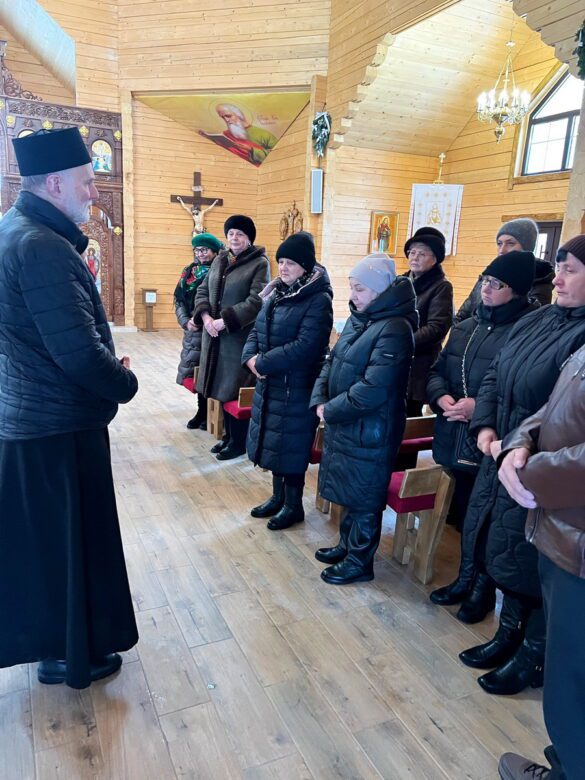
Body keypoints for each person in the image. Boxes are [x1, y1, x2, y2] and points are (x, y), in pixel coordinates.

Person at [0, 127, 138, 689]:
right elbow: (79, 354)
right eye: (86, 182)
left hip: (32, 418)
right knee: (72, 547)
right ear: (54, 183)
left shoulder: (14, 229)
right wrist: (125, 382)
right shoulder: (42, 247)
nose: (94, 192)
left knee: (50, 549)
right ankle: (70, 655)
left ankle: (56, 646)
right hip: (58, 427)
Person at [456, 236, 585, 695]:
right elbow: (496, 372)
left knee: (530, 560)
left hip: (539, 465)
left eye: (570, 270)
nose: (558, 279)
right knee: (504, 546)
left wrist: (519, 447)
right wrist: (486, 426)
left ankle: (531, 655)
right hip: (505, 450)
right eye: (558, 267)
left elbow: (560, 409)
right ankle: (507, 635)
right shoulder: (539, 317)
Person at [496, 339, 585, 780]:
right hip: (564, 536)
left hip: (579, 549)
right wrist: (518, 443)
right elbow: (556, 405)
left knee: (573, 685)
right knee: (568, 679)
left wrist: (527, 474)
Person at [427, 251, 536, 607]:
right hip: (454, 435)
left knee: (488, 518)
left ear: (516, 291)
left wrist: (478, 408)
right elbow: (437, 370)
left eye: (496, 284)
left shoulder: (525, 331)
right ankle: (465, 578)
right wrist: (441, 397)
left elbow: (522, 391)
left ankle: (482, 589)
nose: (486, 289)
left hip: (491, 439)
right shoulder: (465, 327)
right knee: (465, 514)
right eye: (484, 281)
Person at [310, 253, 417, 585]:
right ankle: (346, 546)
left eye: (360, 289)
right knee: (349, 485)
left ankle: (360, 561)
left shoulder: (395, 328)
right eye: (352, 287)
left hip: (373, 427)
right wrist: (319, 398)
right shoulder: (362, 317)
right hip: (348, 421)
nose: (353, 295)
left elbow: (374, 387)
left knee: (366, 493)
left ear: (380, 290)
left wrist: (331, 409)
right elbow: (332, 361)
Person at [243, 232, 333, 530]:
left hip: (297, 385)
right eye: (281, 261)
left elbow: (306, 346)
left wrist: (262, 362)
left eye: (290, 263)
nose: (283, 267)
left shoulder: (318, 299)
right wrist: (249, 357)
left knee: (291, 446)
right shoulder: (277, 292)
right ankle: (278, 497)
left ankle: (294, 506)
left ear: (305, 266)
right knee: (273, 441)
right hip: (271, 381)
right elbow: (256, 330)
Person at [193, 215, 270, 460]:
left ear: (249, 238)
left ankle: (239, 442)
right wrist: (205, 317)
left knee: (234, 388)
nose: (234, 238)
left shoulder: (259, 263)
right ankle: (228, 437)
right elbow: (203, 289)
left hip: (237, 337)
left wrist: (224, 321)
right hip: (214, 335)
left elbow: (257, 300)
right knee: (219, 387)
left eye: (240, 234)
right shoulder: (220, 259)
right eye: (231, 234)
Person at [454, 218, 553, 324]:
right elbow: (463, 313)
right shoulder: (491, 274)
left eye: (510, 243)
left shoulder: (540, 280)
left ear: (527, 247)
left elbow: (527, 325)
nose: (502, 250)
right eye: (499, 243)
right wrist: (459, 331)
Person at [174, 232, 223, 429]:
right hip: (192, 331)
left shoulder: (221, 270)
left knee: (210, 371)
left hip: (212, 329)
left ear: (215, 251)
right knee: (197, 372)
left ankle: (210, 414)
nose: (201, 254)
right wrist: (186, 322)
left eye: (205, 250)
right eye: (197, 250)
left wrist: (204, 319)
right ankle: (201, 411)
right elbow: (179, 299)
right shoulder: (189, 271)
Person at [404, 226, 453, 418]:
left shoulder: (441, 287)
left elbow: (437, 328)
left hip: (418, 364)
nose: (414, 258)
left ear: (435, 259)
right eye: (412, 252)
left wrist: (402, 341)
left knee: (409, 418)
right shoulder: (401, 281)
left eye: (422, 254)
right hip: (394, 359)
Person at [199, 104, 278, 166]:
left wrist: (251, 149)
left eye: (228, 116)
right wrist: (207, 137)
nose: (226, 120)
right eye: (223, 117)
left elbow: (277, 155)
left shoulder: (264, 134)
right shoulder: (225, 134)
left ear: (239, 115)